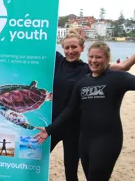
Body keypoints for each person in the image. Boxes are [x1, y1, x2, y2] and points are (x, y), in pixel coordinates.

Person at [35, 41, 135, 181]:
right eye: (92, 57)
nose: (94, 61)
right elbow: (70, 109)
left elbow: (125, 68)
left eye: (98, 57)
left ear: (107, 59)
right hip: (85, 140)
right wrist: (49, 129)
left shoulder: (118, 78)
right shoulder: (83, 82)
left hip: (107, 139)